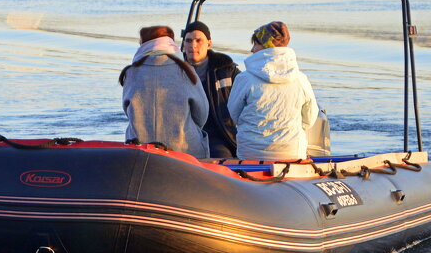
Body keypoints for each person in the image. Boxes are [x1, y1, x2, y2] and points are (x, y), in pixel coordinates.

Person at [227, 21, 318, 161]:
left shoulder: (244, 79)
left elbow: (234, 114)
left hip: (251, 153)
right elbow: (310, 118)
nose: (252, 49)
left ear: (265, 46)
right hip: (292, 153)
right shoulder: (301, 79)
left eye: (255, 44)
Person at [120, 25, 210, 159]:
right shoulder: (186, 70)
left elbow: (128, 111)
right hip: (185, 150)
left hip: (139, 150)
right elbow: (202, 114)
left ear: (144, 45)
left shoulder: (131, 72)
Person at [180, 20, 239, 158]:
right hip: (183, 136)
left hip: (219, 135)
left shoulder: (228, 71)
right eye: (188, 41)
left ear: (209, 44)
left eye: (198, 40)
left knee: (221, 156)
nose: (193, 45)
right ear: (183, 44)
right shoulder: (175, 71)